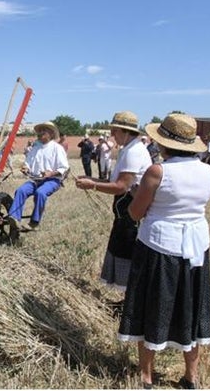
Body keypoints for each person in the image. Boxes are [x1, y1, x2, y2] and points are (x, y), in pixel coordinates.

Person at [119, 113, 210, 389]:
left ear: (163, 143)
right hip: (196, 247)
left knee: (150, 307)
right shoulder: (207, 170)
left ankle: (146, 376)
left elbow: (136, 213)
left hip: (160, 246)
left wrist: (137, 198)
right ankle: (191, 376)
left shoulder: (158, 171)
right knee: (191, 307)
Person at [75, 111, 152, 292]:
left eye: (114, 131)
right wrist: (92, 179)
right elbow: (115, 182)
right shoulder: (128, 149)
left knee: (127, 252)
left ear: (125, 131)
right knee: (121, 248)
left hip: (130, 211)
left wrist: (92, 185)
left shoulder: (134, 152)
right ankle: (127, 298)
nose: (112, 136)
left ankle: (130, 298)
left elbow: (122, 186)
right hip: (124, 211)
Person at [9, 121, 69, 232]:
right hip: (35, 180)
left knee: (40, 193)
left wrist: (51, 173)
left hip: (52, 180)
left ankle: (34, 222)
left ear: (50, 133)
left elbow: (64, 167)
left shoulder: (57, 148)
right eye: (40, 131)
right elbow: (28, 163)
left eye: (43, 131)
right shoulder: (35, 148)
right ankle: (14, 218)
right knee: (20, 190)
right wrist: (25, 168)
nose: (40, 133)